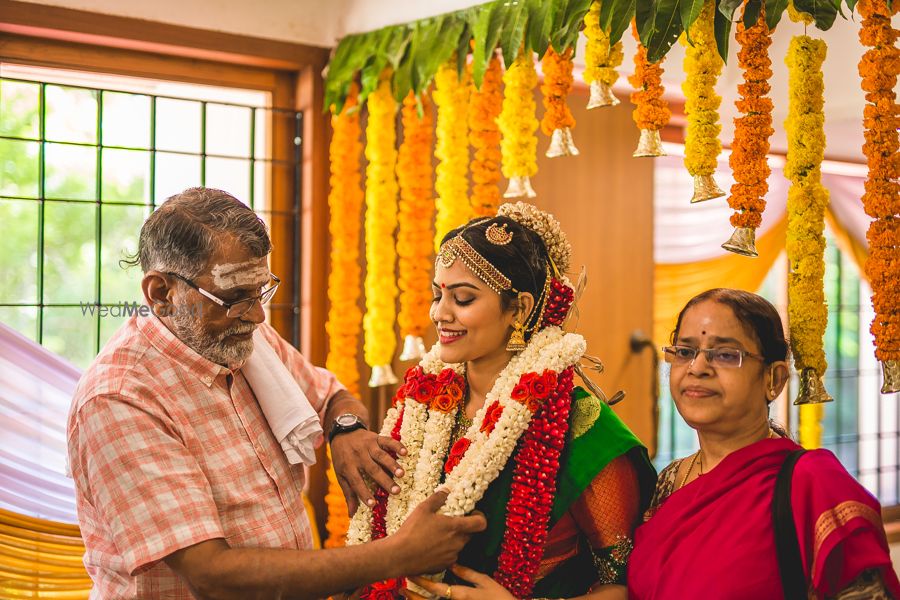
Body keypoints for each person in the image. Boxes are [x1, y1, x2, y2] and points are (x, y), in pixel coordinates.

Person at [67, 187, 485, 599]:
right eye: (234, 299)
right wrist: (395, 556)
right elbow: (213, 575)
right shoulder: (120, 399)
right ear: (161, 294)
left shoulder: (240, 336)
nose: (257, 314)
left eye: (261, 291)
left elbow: (331, 397)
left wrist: (345, 431)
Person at [348, 202, 656, 600]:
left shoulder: (582, 427)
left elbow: (623, 588)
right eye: (437, 294)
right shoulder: (423, 403)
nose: (439, 313)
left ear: (520, 309)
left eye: (462, 298)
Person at [627, 288, 900, 599]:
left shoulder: (813, 482)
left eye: (725, 354)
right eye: (685, 352)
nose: (697, 367)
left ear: (774, 379)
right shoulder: (670, 481)